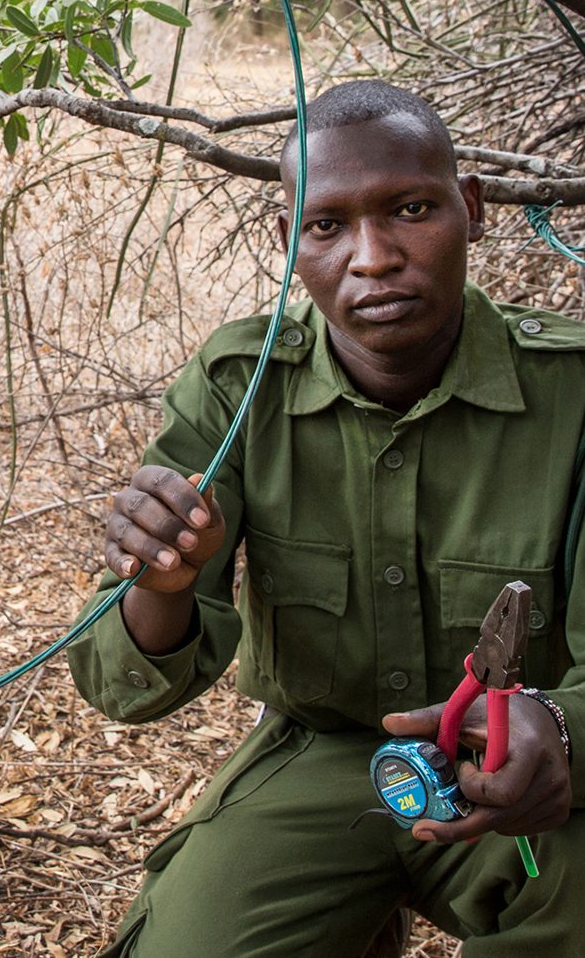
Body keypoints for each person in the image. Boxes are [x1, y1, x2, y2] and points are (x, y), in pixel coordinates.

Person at [66, 81, 585, 957]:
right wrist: (163, 585)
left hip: (527, 770)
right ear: (287, 243)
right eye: (327, 225)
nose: (373, 256)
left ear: (472, 209)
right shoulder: (240, 387)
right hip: (323, 760)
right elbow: (123, 680)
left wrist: (562, 730)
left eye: (411, 209)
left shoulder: (573, 396)